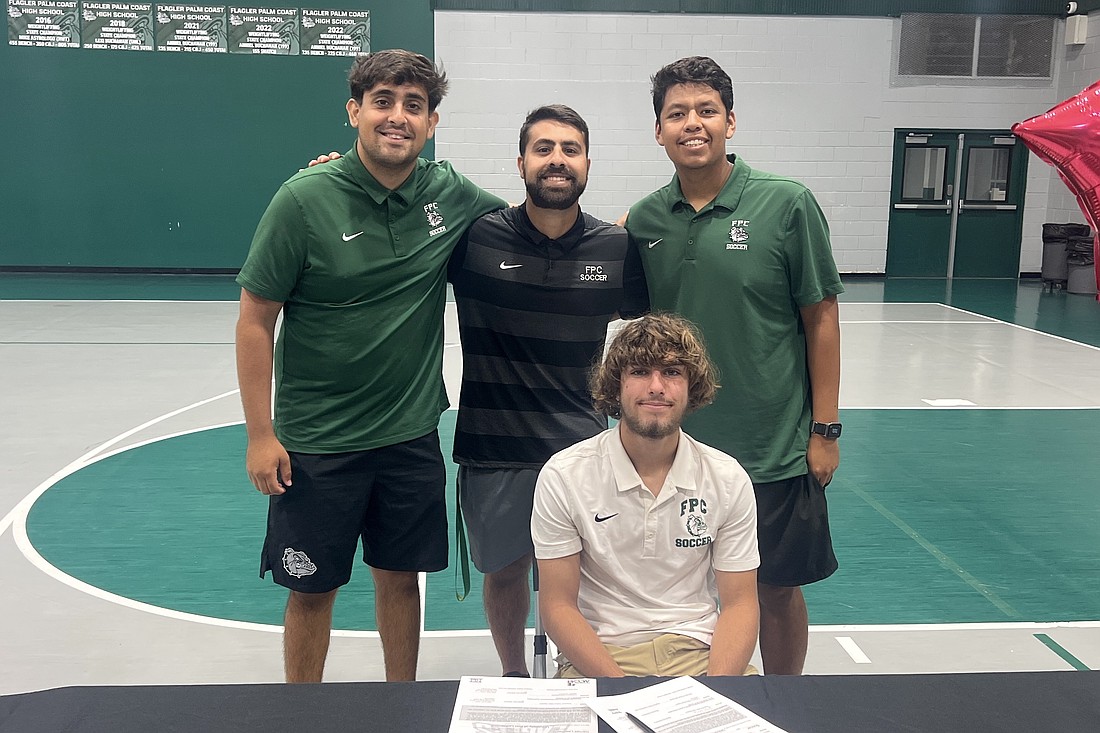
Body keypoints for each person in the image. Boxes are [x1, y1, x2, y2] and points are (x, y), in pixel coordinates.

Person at [235, 49, 506, 683]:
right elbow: (254, 321)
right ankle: (303, 712)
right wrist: (260, 434)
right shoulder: (303, 200)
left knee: (401, 579)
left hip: (409, 437)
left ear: (432, 122)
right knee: (311, 590)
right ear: (354, 111)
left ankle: (400, 704)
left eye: (414, 105)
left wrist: (620, 230)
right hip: (317, 443)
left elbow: (530, 225)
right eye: (383, 101)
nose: (397, 117)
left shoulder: (449, 192)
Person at [623, 56, 843, 675]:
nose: (692, 124)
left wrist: (825, 430)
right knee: (680, 591)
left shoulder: (787, 204)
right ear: (659, 130)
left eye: (707, 110)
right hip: (677, 449)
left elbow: (821, 318)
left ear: (731, 122)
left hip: (770, 447)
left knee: (775, 590)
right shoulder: (644, 219)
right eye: (677, 114)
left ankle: (783, 699)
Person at [448, 105, 648, 677]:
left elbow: (647, 319)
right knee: (505, 571)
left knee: (578, 577)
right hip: (495, 449)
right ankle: (513, 675)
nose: (557, 160)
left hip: (583, 452)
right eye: (543, 149)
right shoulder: (476, 237)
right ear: (520, 163)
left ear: (587, 164)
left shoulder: (617, 247)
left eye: (570, 149)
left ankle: (574, 672)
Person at [532, 313, 759, 678]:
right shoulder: (564, 476)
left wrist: (718, 692)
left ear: (691, 386)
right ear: (616, 385)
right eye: (639, 371)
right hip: (600, 659)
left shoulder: (727, 478)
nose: (656, 386)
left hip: (699, 655)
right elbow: (558, 606)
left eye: (672, 372)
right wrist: (620, 691)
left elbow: (740, 605)